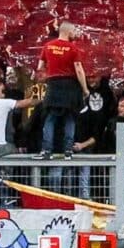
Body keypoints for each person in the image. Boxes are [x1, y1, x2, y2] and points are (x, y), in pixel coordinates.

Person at [39, 24, 89, 158]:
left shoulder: (47, 46)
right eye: (74, 31)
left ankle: (47, 149)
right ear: (68, 31)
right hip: (70, 85)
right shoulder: (73, 48)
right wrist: (84, 89)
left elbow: (40, 67)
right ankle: (68, 149)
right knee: (70, 117)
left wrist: (47, 80)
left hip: (53, 84)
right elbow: (78, 69)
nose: (75, 33)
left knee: (51, 118)